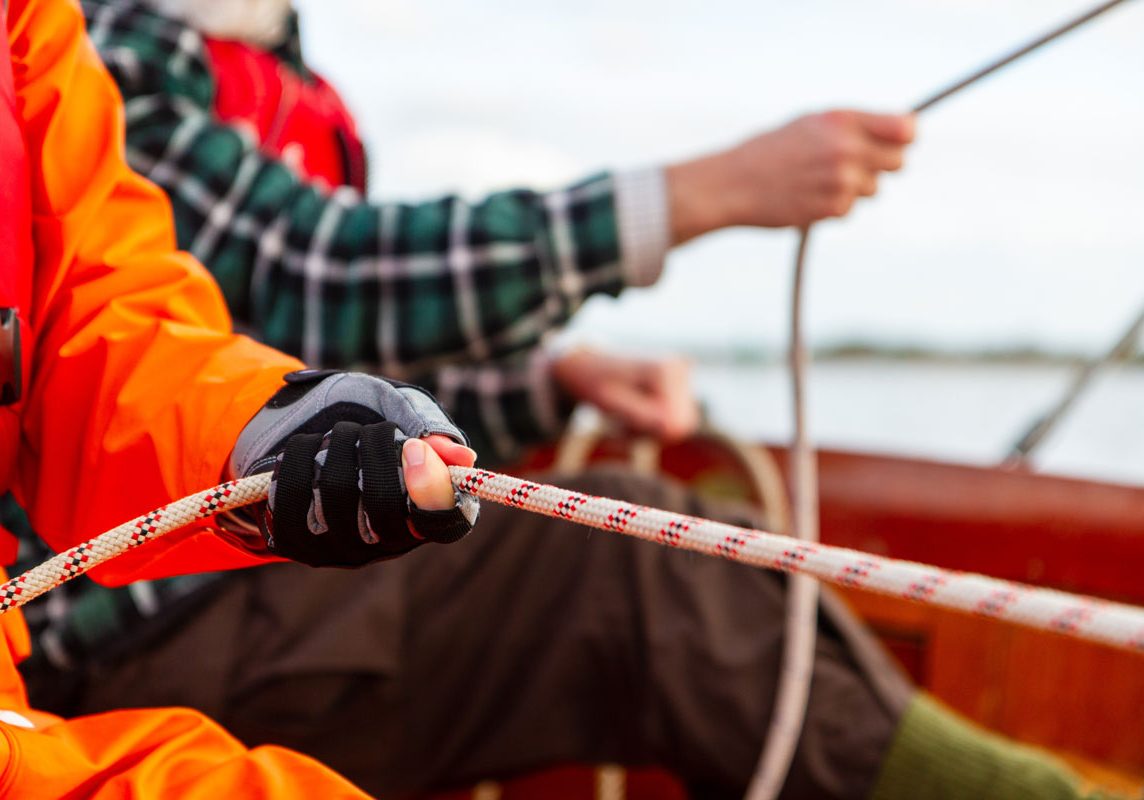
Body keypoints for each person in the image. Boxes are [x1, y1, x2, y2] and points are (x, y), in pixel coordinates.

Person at [15, 1, 1127, 798]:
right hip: (128, 626)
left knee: (697, 541)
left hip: (254, 587)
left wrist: (535, 384)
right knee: (645, 570)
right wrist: (698, 196)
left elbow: (214, 350)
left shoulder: (113, 56)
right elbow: (315, 269)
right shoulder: (123, 53)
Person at [0, 0, 486, 796]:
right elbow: (322, 272)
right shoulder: (140, 58)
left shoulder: (24, 27)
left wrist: (265, 425)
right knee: (624, 588)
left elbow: (92, 325)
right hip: (102, 631)